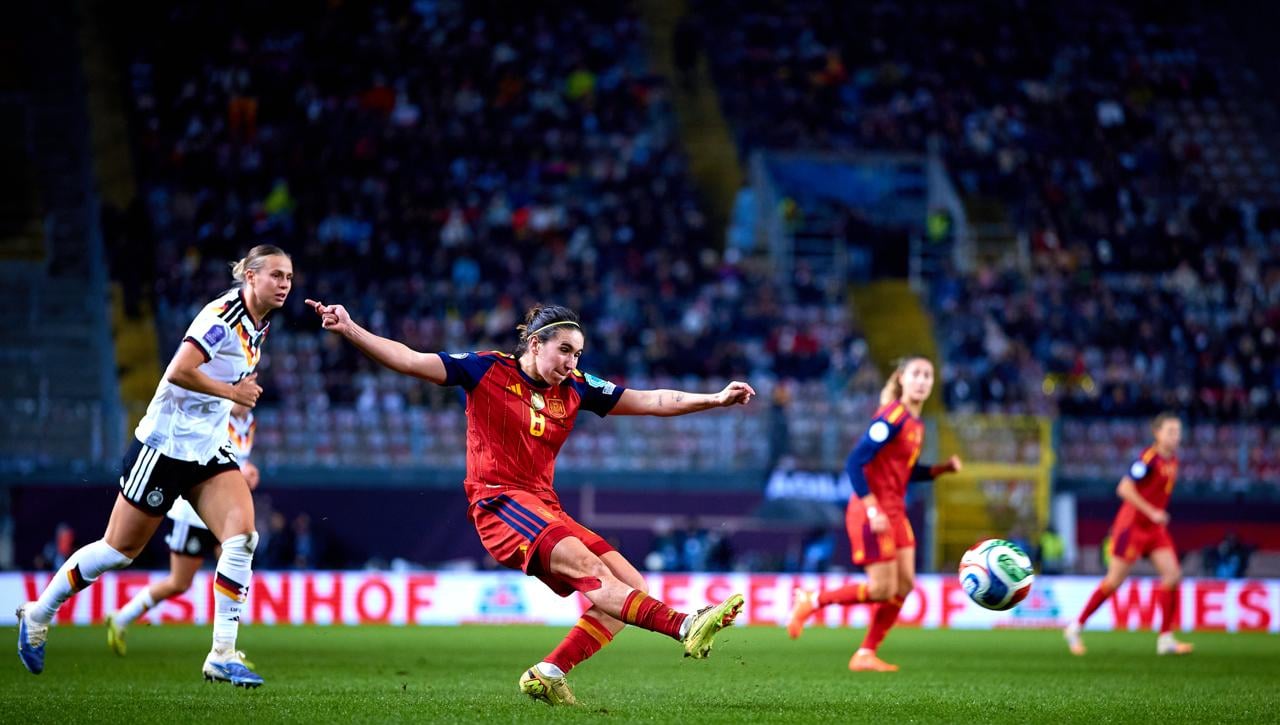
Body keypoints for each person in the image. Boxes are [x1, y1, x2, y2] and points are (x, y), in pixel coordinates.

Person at [305, 299, 753, 706]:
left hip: (543, 504)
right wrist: (351, 330)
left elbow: (652, 399)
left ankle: (549, 672)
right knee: (593, 572)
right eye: (564, 350)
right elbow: (410, 360)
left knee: (630, 581)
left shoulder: (577, 386)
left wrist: (713, 399)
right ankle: (683, 625)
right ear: (535, 344)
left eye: (578, 354)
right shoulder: (485, 369)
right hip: (499, 502)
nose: (572, 362)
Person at [16, 245, 293, 687]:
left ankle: (221, 652)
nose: (284, 285)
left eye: (289, 278)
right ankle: (38, 612)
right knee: (118, 551)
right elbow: (179, 369)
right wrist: (232, 393)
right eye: (276, 275)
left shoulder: (259, 324)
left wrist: (231, 397)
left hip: (207, 449)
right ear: (251, 276)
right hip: (164, 446)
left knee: (242, 538)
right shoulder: (222, 316)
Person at [786, 355, 962, 672]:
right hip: (872, 510)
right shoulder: (891, 417)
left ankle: (866, 653)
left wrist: (941, 469)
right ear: (901, 379)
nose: (922, 380)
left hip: (895, 512)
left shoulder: (916, 425)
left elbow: (904, 472)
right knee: (882, 589)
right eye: (916, 374)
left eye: (928, 375)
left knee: (905, 586)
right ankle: (813, 600)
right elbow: (855, 462)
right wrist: (871, 507)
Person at [104, 405, 260, 663]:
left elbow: (234, 460)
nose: (254, 387)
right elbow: (198, 453)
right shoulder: (214, 412)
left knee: (238, 555)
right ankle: (122, 617)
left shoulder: (249, 421)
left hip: (220, 508)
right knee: (179, 582)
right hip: (191, 510)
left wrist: (246, 469)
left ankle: (226, 649)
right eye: (248, 379)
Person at [1064, 412, 1193, 656]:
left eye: (1178, 432)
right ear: (1157, 433)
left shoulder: (1173, 461)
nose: (1176, 436)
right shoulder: (1148, 459)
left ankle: (1165, 638)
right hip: (1132, 526)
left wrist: (1155, 517)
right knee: (1113, 582)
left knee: (1173, 575)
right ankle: (1075, 626)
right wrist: (1152, 511)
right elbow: (1123, 488)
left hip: (1153, 529)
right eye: (1171, 431)